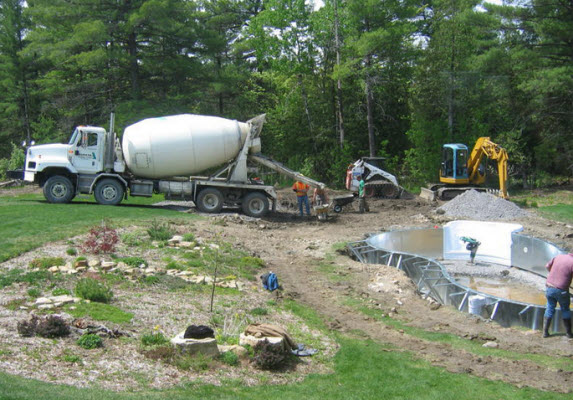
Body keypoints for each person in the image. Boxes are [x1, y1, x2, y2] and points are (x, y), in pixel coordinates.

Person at [543, 253, 573, 338]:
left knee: (549, 308)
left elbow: (547, 266)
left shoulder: (559, 256)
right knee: (565, 309)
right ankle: (569, 333)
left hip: (549, 287)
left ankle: (545, 332)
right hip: (561, 290)